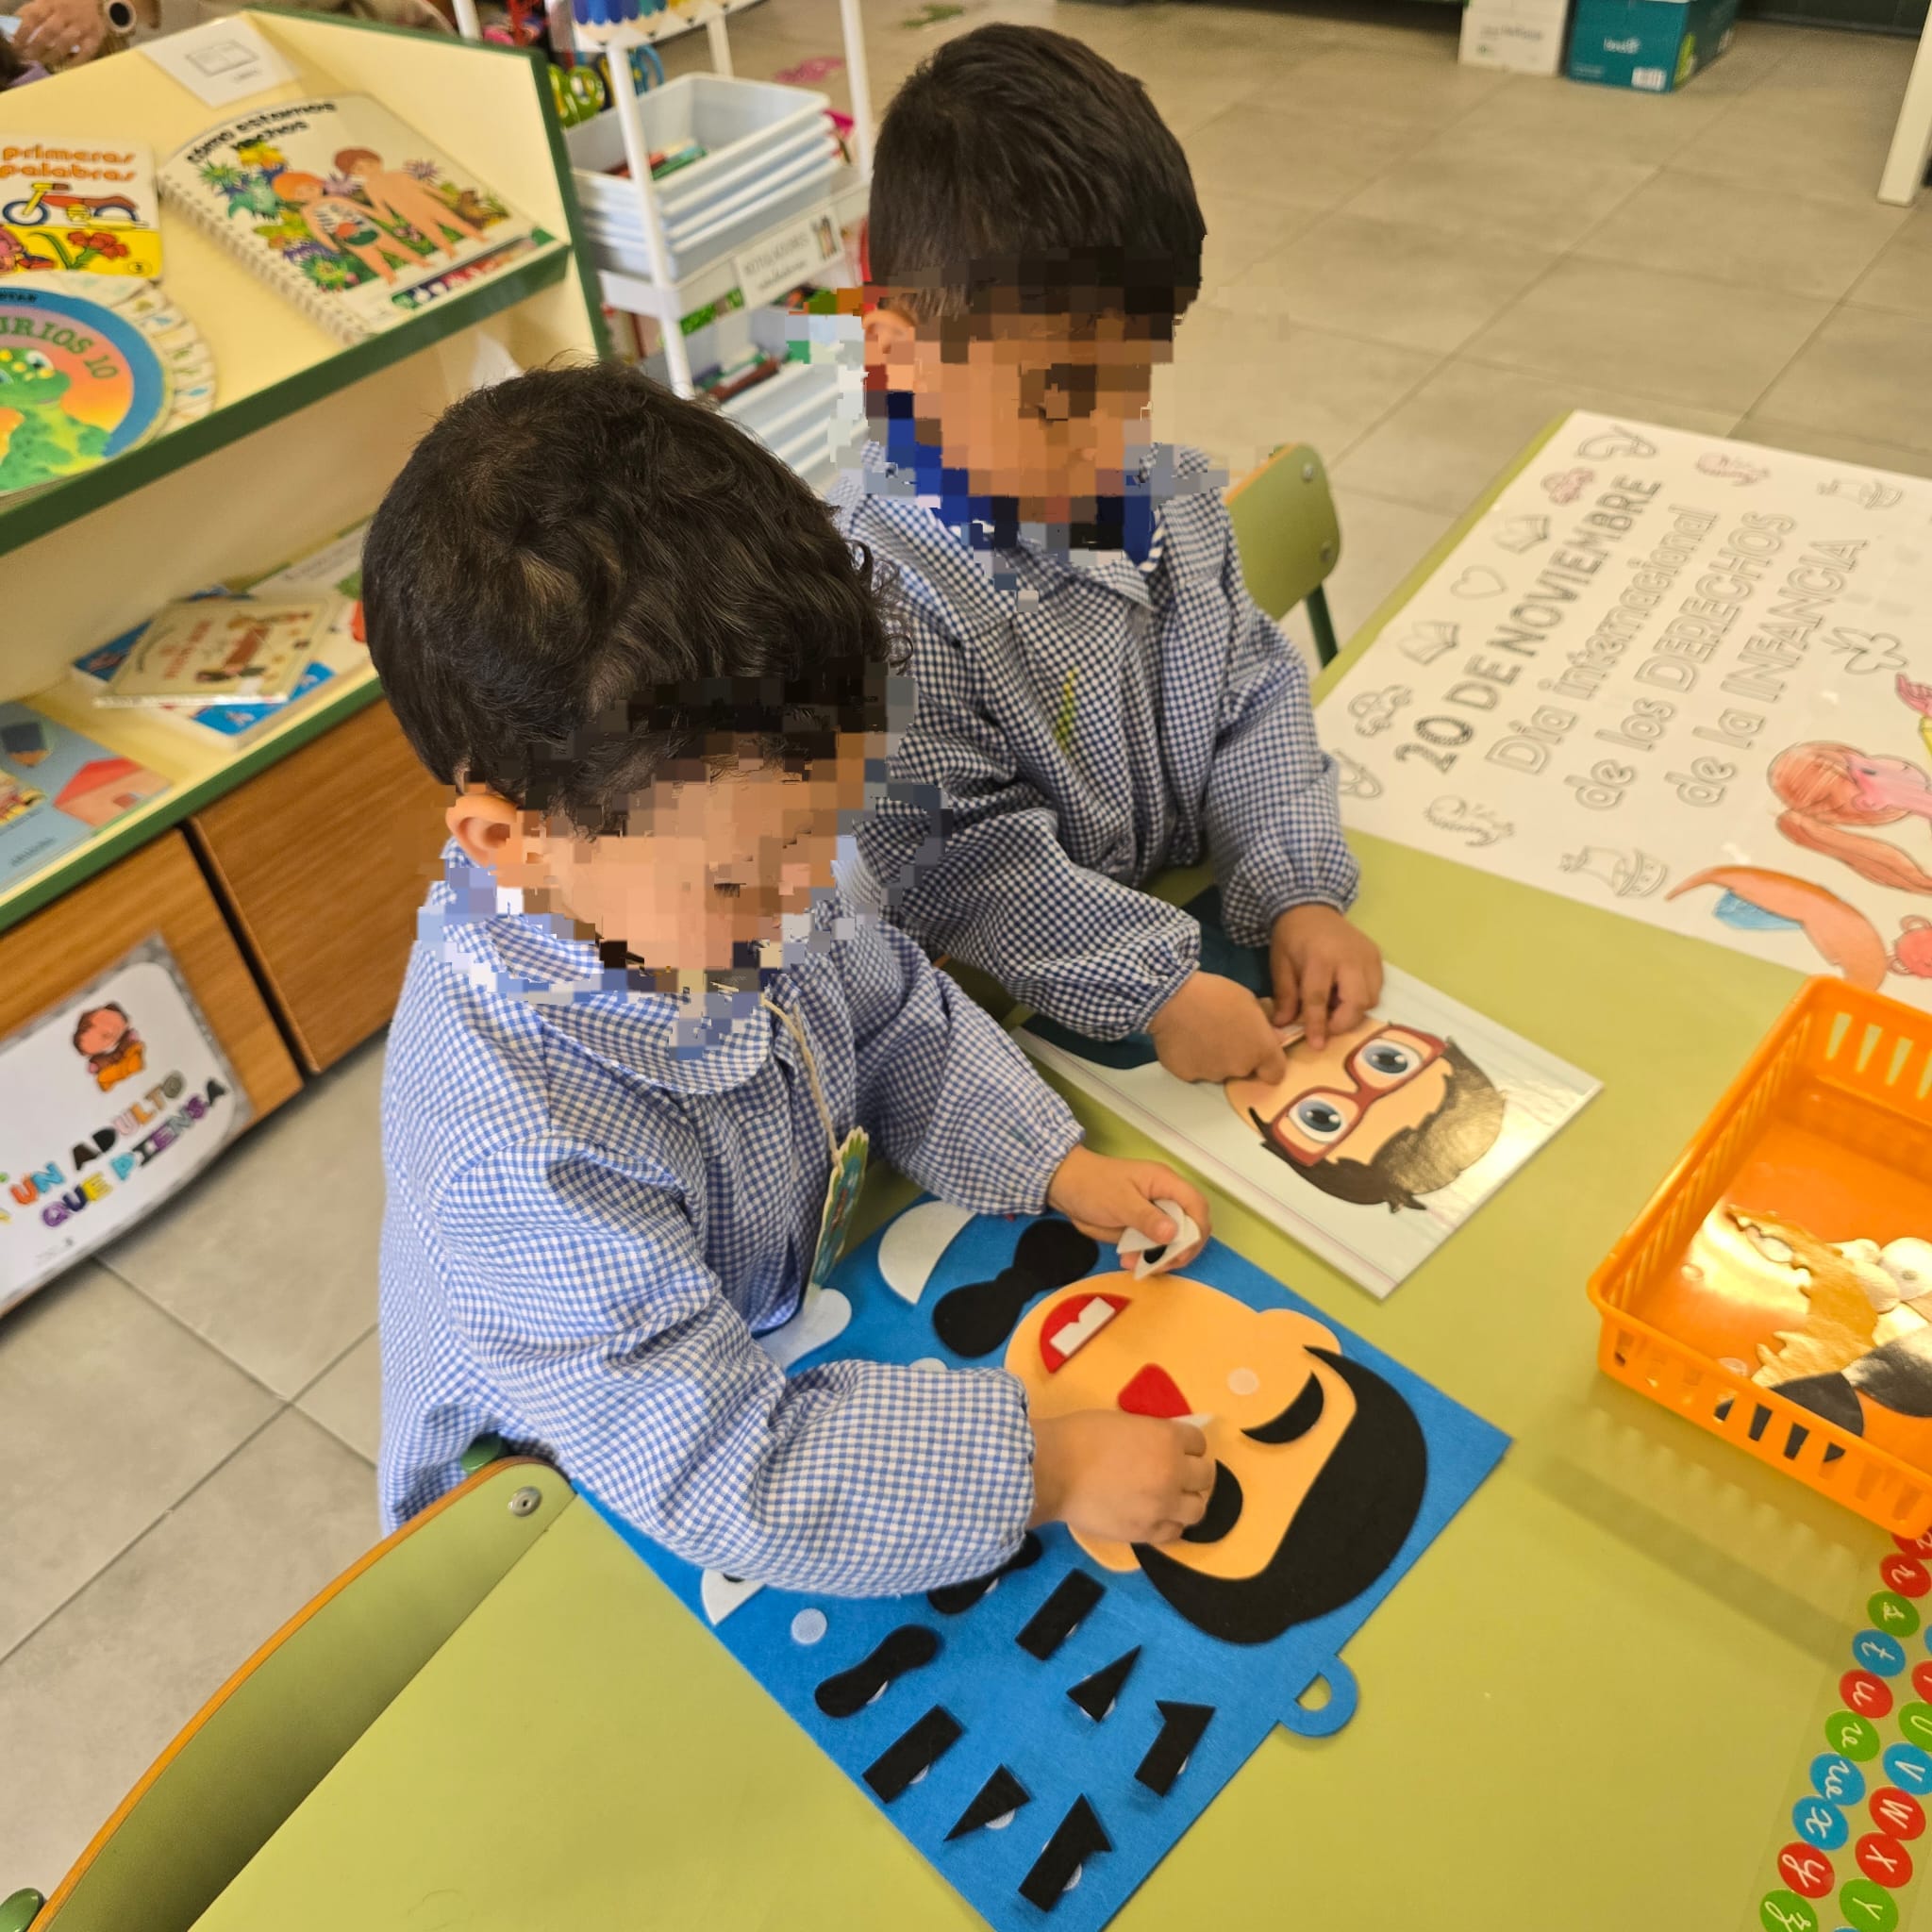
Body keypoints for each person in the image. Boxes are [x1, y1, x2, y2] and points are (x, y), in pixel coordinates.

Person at [362, 361, 1218, 1597]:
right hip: (564, 1524)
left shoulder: (721, 861)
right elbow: (725, 1469)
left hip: (761, 1336)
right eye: (743, 878)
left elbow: (890, 1007)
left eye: (823, 832)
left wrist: (1051, 1164)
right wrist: (1045, 1468)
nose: (805, 893)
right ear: (513, 841)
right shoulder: (519, 1148)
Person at [833, 25, 1383, 1090]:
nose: (1113, 443)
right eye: (1058, 400)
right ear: (899, 355)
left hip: (1175, 943)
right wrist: (1156, 986)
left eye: (1135, 386)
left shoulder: (1160, 500)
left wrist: (1298, 889)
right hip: (986, 1045)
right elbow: (967, 858)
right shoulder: (880, 600)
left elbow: (1250, 696)